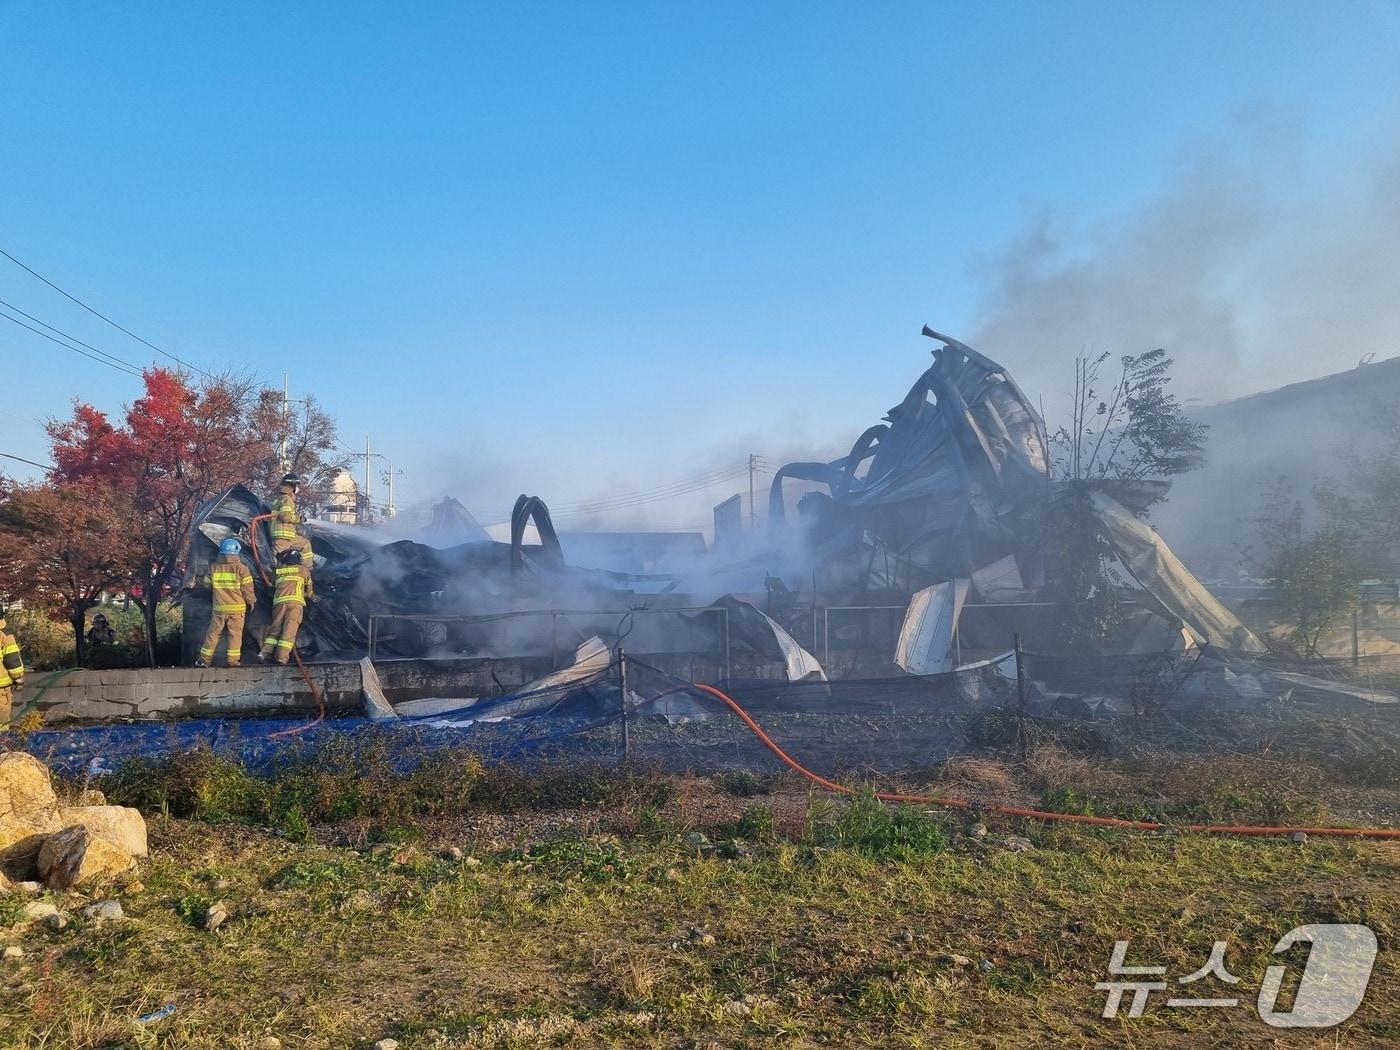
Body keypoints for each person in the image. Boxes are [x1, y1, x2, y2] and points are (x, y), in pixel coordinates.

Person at [197, 537, 256, 667]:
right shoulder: (242, 569)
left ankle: (204, 661)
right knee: (234, 636)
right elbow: (248, 590)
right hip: (237, 610)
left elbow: (206, 585)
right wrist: (251, 602)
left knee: (213, 635)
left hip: (219, 609)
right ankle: (232, 661)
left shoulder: (214, 567)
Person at [259, 547, 313, 664]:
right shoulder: (303, 570)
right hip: (295, 604)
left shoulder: (278, 571)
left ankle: (264, 653)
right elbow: (308, 591)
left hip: (279, 603)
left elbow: (271, 587)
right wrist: (309, 595)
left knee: (275, 630)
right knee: (289, 631)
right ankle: (281, 657)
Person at [270, 472, 314, 561]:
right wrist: (299, 519)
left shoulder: (279, 499)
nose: (297, 488)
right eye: (297, 485)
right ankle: (274, 574)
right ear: (292, 486)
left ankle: (305, 570)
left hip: (287, 535)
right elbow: (285, 516)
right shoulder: (286, 498)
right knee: (277, 560)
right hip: (282, 536)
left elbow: (284, 513)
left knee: (305, 544)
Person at [0, 608, 24, 727]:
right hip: (1, 689)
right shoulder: (4, 634)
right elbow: (12, 660)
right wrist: (18, 679)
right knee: (1, 721)